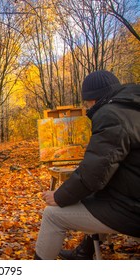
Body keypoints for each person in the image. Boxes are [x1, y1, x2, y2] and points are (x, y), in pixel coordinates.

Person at [34, 70, 140, 260]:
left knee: (52, 215)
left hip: (133, 209)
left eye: (87, 102)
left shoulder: (112, 115)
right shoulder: (132, 107)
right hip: (132, 196)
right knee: (95, 195)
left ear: (94, 99)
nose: (86, 107)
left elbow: (93, 176)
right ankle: (84, 251)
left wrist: (58, 196)